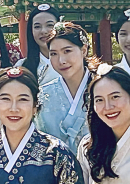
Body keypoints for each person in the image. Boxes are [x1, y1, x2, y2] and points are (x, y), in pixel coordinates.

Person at [35, 21, 94, 150]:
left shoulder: (103, 88)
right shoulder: (43, 95)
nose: (61, 61)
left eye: (67, 51)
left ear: (83, 50)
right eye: (54, 54)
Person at [20, 3, 62, 88]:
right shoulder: (22, 66)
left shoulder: (71, 63)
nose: (43, 31)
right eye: (37, 27)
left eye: (50, 25)